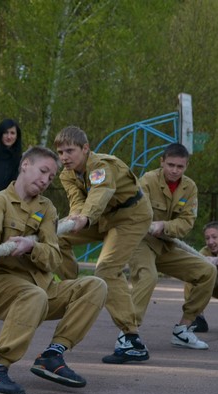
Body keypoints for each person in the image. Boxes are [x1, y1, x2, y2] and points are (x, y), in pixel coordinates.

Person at [0, 146, 107, 394]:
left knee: (95, 286)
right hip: (2, 287)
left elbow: (54, 257)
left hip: (42, 288)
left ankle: (52, 356)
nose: (46, 180)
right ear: (25, 165)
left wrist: (31, 247)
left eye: (51, 177)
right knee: (34, 294)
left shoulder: (47, 209)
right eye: (43, 171)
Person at [53, 126, 152, 363]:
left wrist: (86, 217)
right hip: (102, 217)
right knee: (58, 237)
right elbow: (77, 201)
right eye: (59, 152)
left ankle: (132, 338)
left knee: (106, 269)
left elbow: (100, 194)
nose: (64, 157)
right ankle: (72, 289)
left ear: (85, 149)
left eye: (69, 151)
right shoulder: (67, 174)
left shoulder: (101, 166)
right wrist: (76, 217)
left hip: (130, 216)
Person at [118, 143, 216, 357]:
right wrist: (152, 224)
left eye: (180, 166)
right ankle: (127, 336)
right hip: (141, 243)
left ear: (186, 166)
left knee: (207, 271)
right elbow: (133, 214)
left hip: (166, 244)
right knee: (148, 277)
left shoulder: (189, 188)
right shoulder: (147, 181)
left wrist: (165, 226)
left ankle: (183, 329)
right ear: (162, 162)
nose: (174, 170)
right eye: (170, 165)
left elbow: (187, 222)